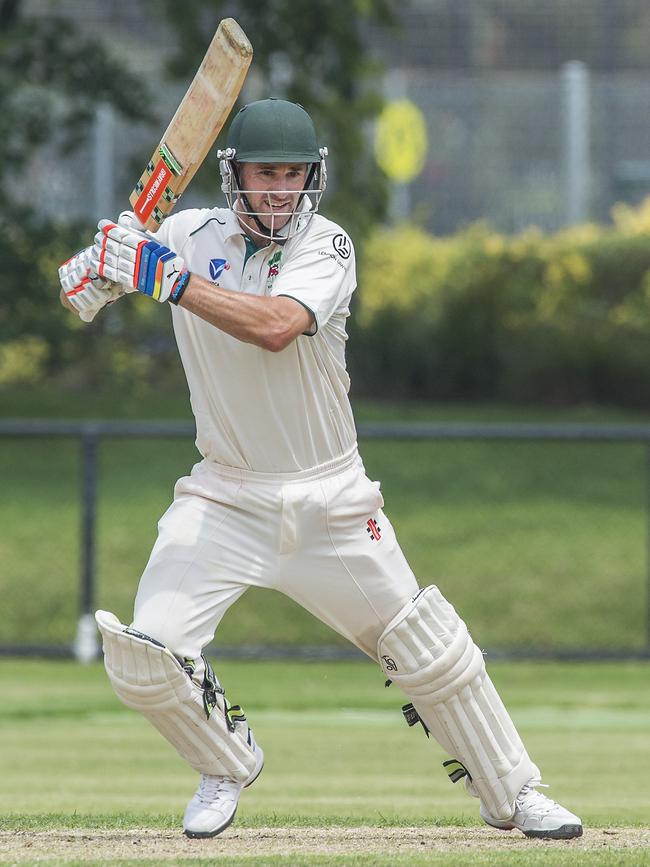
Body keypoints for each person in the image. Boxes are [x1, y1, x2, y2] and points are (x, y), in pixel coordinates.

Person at [58, 98, 582, 841]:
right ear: (234, 176)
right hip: (223, 495)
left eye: (294, 176)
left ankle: (517, 793)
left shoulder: (327, 246)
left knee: (427, 649)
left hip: (331, 496)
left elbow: (275, 326)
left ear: (313, 180)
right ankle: (226, 760)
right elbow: (89, 290)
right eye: (266, 174)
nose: (280, 191)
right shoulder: (182, 233)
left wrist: (165, 280)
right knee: (146, 654)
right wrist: (99, 269)